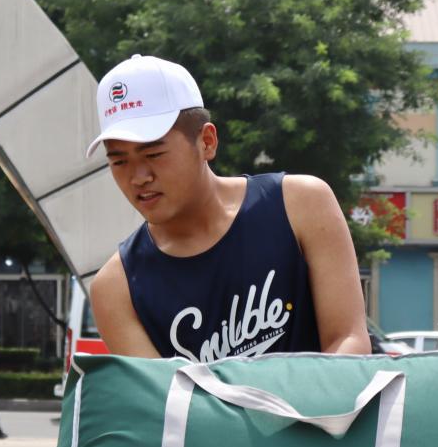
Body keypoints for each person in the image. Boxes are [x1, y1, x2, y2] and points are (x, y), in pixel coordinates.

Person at [87, 55, 370, 361]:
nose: (139, 177)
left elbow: (349, 342)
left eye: (154, 154)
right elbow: (161, 392)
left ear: (207, 142)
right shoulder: (116, 288)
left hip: (319, 396)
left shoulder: (301, 204)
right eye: (119, 161)